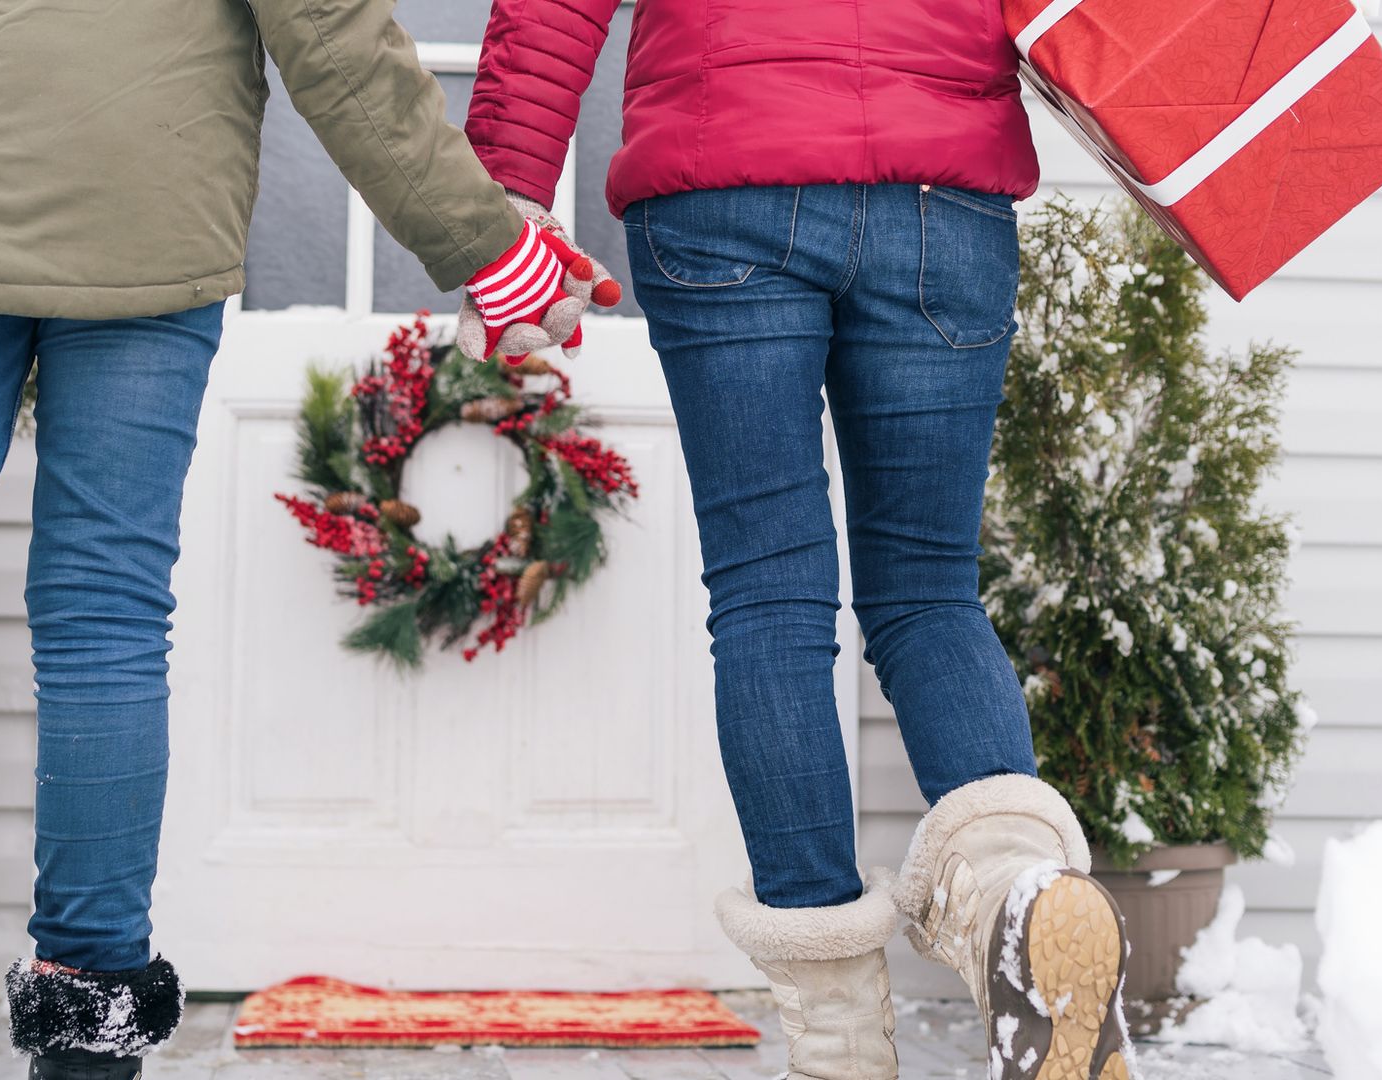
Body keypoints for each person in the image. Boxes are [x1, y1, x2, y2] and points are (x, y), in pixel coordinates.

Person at [0, 1, 611, 1077]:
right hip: (141, 163)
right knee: (103, 604)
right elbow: (325, 24)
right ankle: (88, 1017)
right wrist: (490, 247)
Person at [463, 4, 1132, 1079]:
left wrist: (504, 199)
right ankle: (1019, 896)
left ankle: (837, 1042)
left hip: (723, 178)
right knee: (928, 595)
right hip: (939, 190)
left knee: (769, 599)